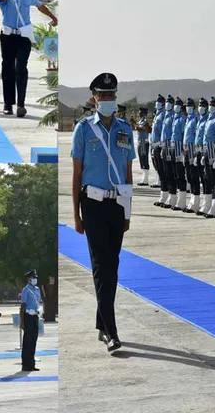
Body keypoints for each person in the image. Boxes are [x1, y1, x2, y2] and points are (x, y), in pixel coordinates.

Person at [71, 73, 134, 352]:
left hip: (117, 204)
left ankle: (101, 323)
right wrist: (76, 214)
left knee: (113, 267)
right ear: (94, 98)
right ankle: (111, 331)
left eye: (111, 95)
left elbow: (128, 172)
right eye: (102, 95)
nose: (107, 100)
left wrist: (128, 212)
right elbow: (76, 174)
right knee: (101, 267)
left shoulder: (124, 129)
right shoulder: (83, 129)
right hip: (92, 204)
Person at [0, 0, 59, 117]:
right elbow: (0, 0)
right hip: (8, 35)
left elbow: (40, 6)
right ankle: (8, 104)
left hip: (24, 35)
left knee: (21, 68)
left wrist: (54, 17)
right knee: (8, 68)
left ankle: (21, 104)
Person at [203, 97, 215, 218]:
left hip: (214, 151)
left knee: (214, 180)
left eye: (212, 104)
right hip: (206, 150)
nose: (210, 106)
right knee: (206, 178)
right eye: (209, 104)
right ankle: (208, 204)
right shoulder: (208, 119)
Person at [183, 98, 202, 213]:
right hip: (186, 148)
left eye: (190, 105)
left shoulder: (195, 119)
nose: (188, 107)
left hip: (192, 149)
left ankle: (196, 202)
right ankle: (192, 201)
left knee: (194, 176)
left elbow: (196, 136)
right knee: (189, 176)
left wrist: (194, 152)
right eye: (187, 105)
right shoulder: (188, 119)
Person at [193, 98, 211, 215]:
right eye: (200, 105)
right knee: (200, 178)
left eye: (203, 105)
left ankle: (209, 205)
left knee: (207, 179)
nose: (201, 108)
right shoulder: (200, 120)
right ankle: (203, 204)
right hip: (198, 151)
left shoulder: (210, 120)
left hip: (208, 152)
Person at [170, 97, 188, 210]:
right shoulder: (175, 118)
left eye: (178, 104)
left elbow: (183, 135)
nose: (175, 106)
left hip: (179, 148)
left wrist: (182, 151)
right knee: (174, 174)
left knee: (180, 174)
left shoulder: (182, 119)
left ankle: (182, 202)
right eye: (175, 104)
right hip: (172, 146)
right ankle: (175, 199)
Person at [21, 270, 40, 371]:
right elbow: (23, 306)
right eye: (33, 278)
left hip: (35, 316)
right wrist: (22, 321)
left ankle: (32, 364)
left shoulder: (37, 289)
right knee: (27, 341)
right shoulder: (26, 290)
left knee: (34, 340)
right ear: (29, 279)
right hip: (28, 316)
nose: (35, 279)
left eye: (35, 277)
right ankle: (26, 364)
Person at [160, 95, 178, 208]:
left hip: (173, 146)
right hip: (164, 145)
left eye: (169, 102)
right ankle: (165, 195)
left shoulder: (173, 117)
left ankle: (173, 196)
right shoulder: (165, 115)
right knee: (164, 172)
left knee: (172, 173)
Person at [151, 95, 167, 197]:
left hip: (160, 146)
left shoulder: (163, 115)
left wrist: (161, 145)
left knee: (163, 171)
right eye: (157, 101)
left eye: (159, 101)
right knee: (159, 170)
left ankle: (166, 193)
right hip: (155, 145)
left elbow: (163, 132)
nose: (157, 103)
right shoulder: (157, 115)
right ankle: (163, 194)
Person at [136, 107, 152, 186]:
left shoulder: (145, 121)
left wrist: (138, 128)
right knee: (141, 160)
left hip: (143, 142)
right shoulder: (140, 121)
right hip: (140, 142)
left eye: (140, 112)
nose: (139, 114)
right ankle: (143, 178)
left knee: (144, 160)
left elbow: (143, 130)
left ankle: (145, 180)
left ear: (144, 113)